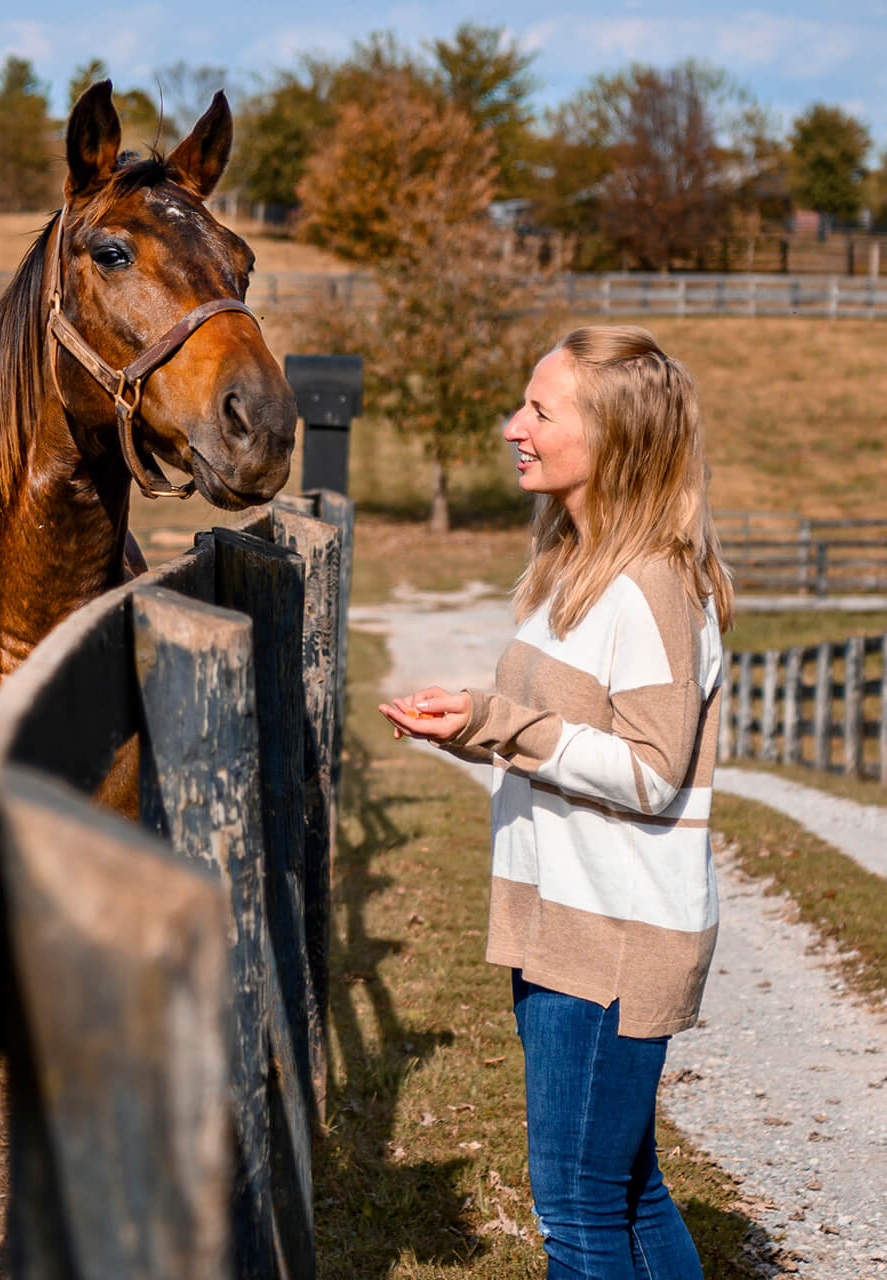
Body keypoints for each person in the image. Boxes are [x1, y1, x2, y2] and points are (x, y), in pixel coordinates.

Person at [378, 325, 734, 1280]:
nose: (512, 427)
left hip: (611, 943)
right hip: (565, 928)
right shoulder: (575, 570)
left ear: (610, 436)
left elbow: (653, 772)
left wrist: (499, 723)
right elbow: (562, 738)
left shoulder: (652, 584)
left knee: (578, 1214)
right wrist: (472, 726)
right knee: (624, 1191)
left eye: (540, 410)